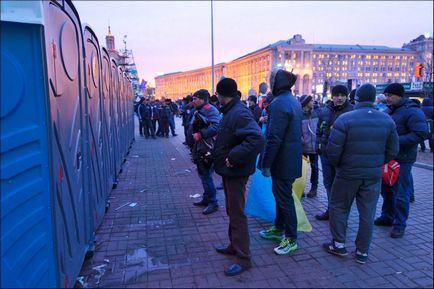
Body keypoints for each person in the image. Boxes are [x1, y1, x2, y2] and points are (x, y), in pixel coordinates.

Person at [323, 84, 399, 264]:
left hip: (347, 173)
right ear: (374, 98)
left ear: (355, 98)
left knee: (339, 206)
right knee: (367, 212)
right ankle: (362, 251)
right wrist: (377, 163)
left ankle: (339, 244)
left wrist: (340, 165)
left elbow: (332, 151)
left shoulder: (345, 119)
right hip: (372, 174)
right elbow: (393, 150)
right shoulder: (387, 120)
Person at [213, 78, 264, 276]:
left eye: (217, 94)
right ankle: (234, 246)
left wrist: (233, 157)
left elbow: (257, 138)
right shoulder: (232, 111)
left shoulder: (239, 113)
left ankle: (244, 259)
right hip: (230, 170)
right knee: (232, 210)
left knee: (237, 214)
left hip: (236, 171)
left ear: (220, 94)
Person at [375, 83, 428, 238]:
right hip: (388, 158)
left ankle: (400, 224)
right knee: (386, 190)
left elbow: (420, 133)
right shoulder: (390, 110)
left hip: (403, 159)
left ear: (400, 95)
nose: (387, 98)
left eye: (390, 95)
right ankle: (387, 216)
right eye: (386, 95)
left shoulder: (412, 111)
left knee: (400, 193)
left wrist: (395, 140)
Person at [259, 69, 302, 256]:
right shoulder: (291, 100)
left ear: (277, 82)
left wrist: (266, 163)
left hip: (282, 160)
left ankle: (291, 238)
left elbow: (274, 137)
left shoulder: (279, 103)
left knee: (284, 199)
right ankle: (278, 228)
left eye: (271, 79)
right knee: (282, 196)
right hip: (290, 158)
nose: (269, 82)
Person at [315, 85, 353, 220]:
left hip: (342, 157)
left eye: (343, 95)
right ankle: (331, 211)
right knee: (328, 183)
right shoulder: (325, 111)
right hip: (326, 155)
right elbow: (319, 131)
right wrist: (318, 146)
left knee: (342, 187)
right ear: (332, 96)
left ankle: (341, 215)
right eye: (337, 95)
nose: (340, 98)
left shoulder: (351, 111)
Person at [190, 89, 221, 215]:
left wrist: (201, 134)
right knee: (203, 175)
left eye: (195, 98)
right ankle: (207, 198)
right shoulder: (200, 109)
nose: (193, 101)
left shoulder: (210, 109)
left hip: (207, 148)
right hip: (199, 147)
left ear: (202, 99)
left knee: (206, 175)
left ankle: (213, 202)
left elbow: (216, 126)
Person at [299, 95, 319, 198]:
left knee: (315, 168)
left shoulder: (316, 113)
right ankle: (300, 188)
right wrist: (302, 140)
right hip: (302, 147)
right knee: (301, 169)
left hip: (314, 147)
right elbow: (296, 131)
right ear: (306, 102)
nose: (313, 102)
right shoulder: (299, 115)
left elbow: (319, 130)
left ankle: (314, 188)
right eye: (311, 100)